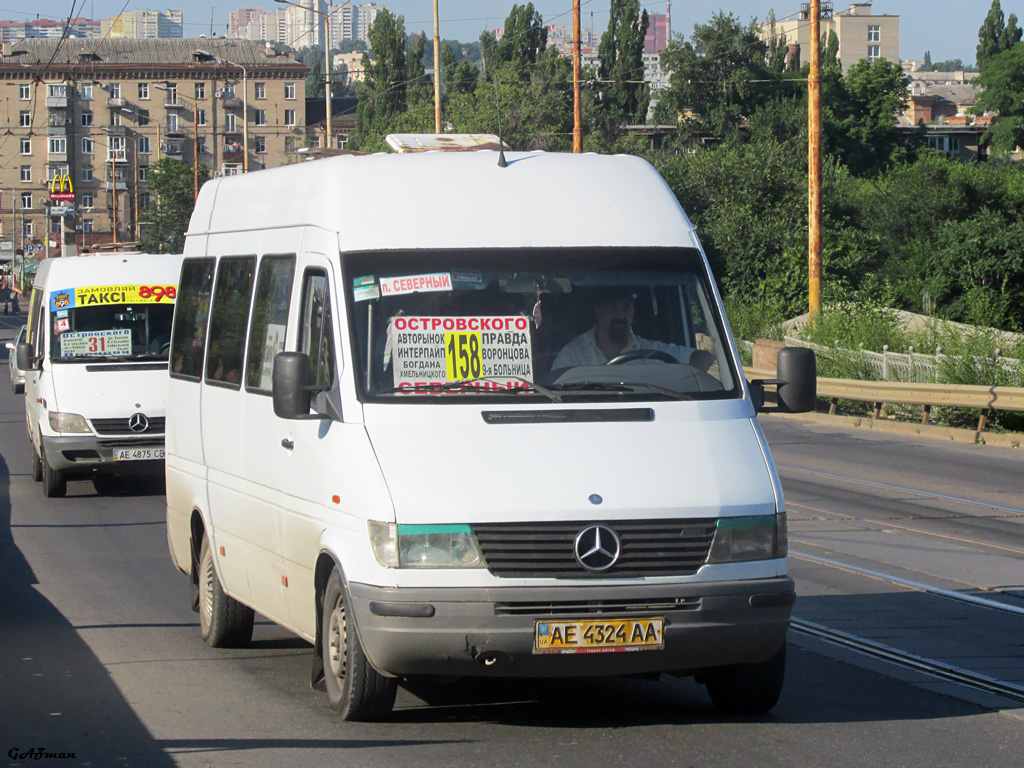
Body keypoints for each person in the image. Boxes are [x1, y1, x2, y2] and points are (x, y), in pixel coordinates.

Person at [552, 287, 714, 371]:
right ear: (597, 310)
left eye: (626, 308)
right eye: (612, 307)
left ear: (634, 312)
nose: (620, 314)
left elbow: (704, 358)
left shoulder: (653, 352)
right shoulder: (573, 355)